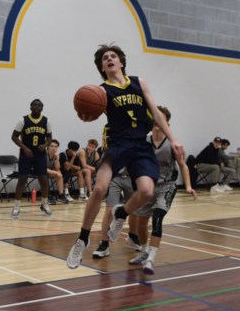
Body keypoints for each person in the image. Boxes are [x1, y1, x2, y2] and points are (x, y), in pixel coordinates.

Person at [66, 44, 184, 269]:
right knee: (99, 188)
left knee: (147, 191)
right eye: (104, 58)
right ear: (102, 67)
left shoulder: (140, 83)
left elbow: (156, 113)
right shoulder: (101, 92)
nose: (109, 59)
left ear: (121, 62)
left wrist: (173, 138)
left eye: (113, 56)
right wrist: (85, 114)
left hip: (141, 145)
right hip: (118, 145)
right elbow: (89, 111)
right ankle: (82, 238)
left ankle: (122, 213)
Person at [129, 105, 197, 274]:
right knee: (141, 223)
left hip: (167, 185)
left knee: (157, 218)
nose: (158, 123)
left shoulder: (173, 144)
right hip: (148, 185)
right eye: (155, 119)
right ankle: (145, 251)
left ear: (167, 123)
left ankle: (151, 260)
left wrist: (188, 186)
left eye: (162, 119)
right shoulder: (143, 142)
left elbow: (183, 166)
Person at [10, 98, 52, 218]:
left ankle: (44, 204)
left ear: (42, 108)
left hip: (40, 155)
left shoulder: (46, 121)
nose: (36, 107)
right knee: (22, 180)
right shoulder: (23, 120)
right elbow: (14, 136)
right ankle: (16, 207)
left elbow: (49, 137)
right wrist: (24, 148)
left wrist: (44, 145)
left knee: (43, 180)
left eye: (39, 106)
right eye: (34, 105)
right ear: (30, 107)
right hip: (26, 154)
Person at [91, 166, 141, 259]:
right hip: (115, 177)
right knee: (109, 210)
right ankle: (104, 243)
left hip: (133, 176)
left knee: (134, 209)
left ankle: (133, 236)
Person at [46, 139, 71, 204]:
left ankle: (61, 195)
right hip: (38, 171)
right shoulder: (44, 154)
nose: (54, 148)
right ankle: (47, 195)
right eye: (52, 146)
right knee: (44, 174)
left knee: (59, 175)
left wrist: (57, 159)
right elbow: (42, 168)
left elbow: (57, 168)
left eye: (56, 146)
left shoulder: (56, 155)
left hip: (49, 171)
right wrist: (55, 172)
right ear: (48, 147)